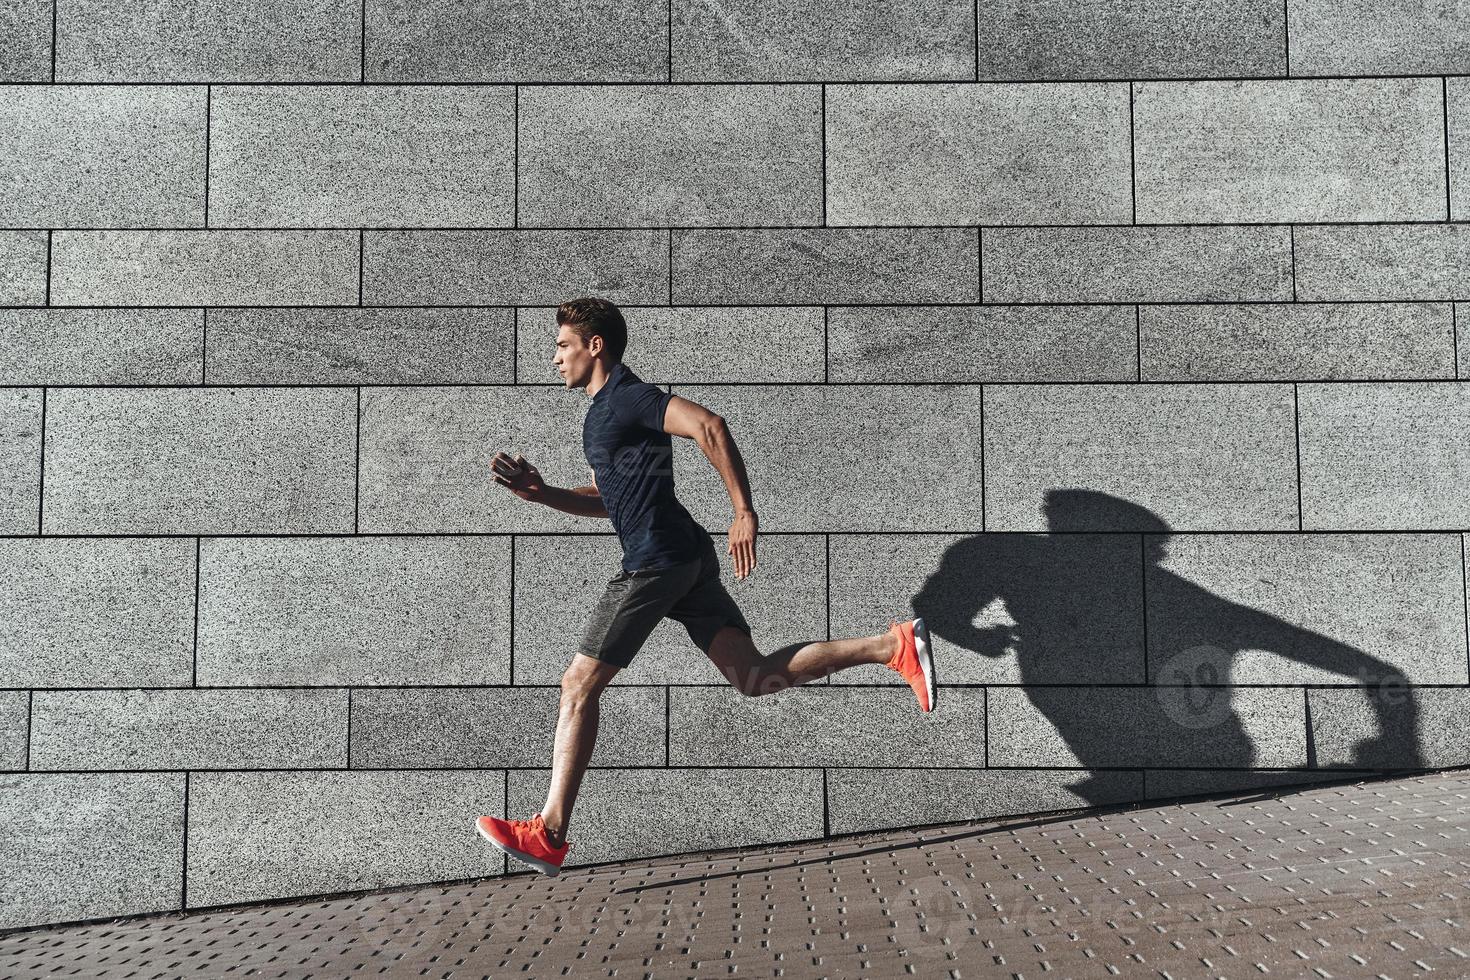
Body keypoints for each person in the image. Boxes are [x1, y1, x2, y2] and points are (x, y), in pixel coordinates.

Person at [473, 296, 935, 876]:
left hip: (657, 561)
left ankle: (549, 832)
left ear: (596, 346)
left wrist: (743, 509)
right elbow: (606, 499)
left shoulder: (627, 396)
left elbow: (707, 425)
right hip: (684, 556)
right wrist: (543, 495)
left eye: (563, 344)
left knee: (577, 683)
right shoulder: (599, 415)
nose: (555, 356)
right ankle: (891, 646)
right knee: (754, 676)